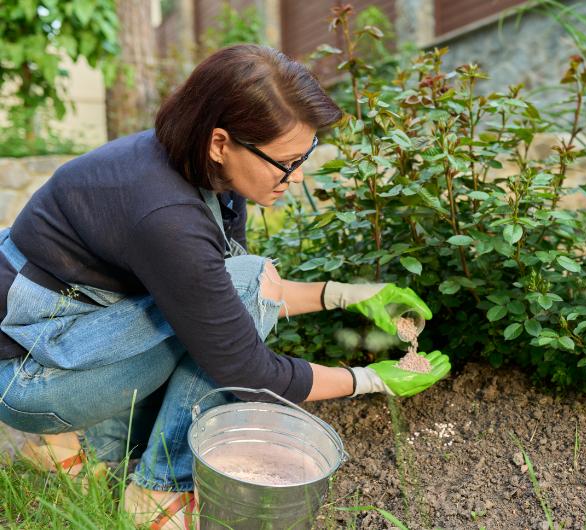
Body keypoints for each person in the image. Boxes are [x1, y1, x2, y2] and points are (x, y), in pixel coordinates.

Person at [0, 44, 450, 528]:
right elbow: (247, 368)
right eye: (286, 162)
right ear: (220, 142)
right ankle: (156, 496)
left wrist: (349, 294)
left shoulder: (202, 171)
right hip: (29, 375)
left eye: (305, 157)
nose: (294, 179)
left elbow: (224, 298)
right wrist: (371, 380)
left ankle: (77, 446)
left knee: (250, 281)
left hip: (61, 332)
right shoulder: (166, 216)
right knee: (249, 287)